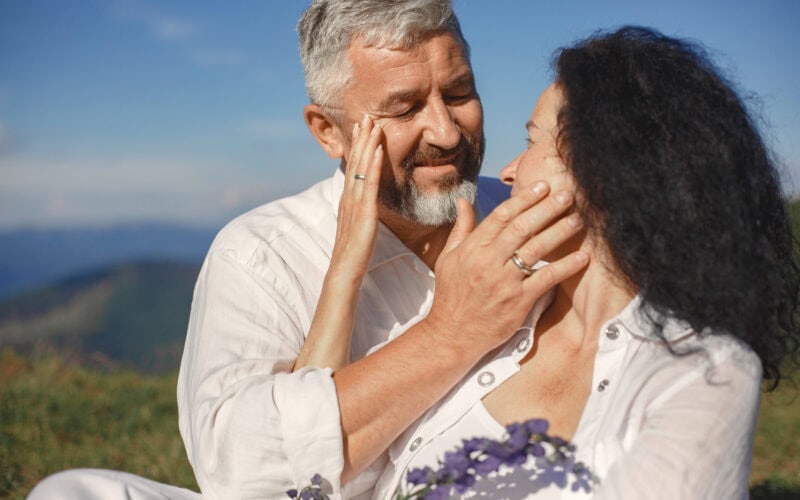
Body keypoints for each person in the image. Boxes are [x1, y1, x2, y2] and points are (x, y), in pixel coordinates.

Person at [27, 1, 588, 499]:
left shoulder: (525, 211)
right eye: (404, 109)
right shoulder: (262, 254)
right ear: (328, 131)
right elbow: (243, 477)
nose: (445, 132)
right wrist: (444, 332)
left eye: (460, 93)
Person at [365, 26, 800, 499]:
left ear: (605, 172)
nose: (507, 172)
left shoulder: (704, 370)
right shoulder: (489, 311)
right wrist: (349, 277)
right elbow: (326, 468)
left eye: (532, 141)